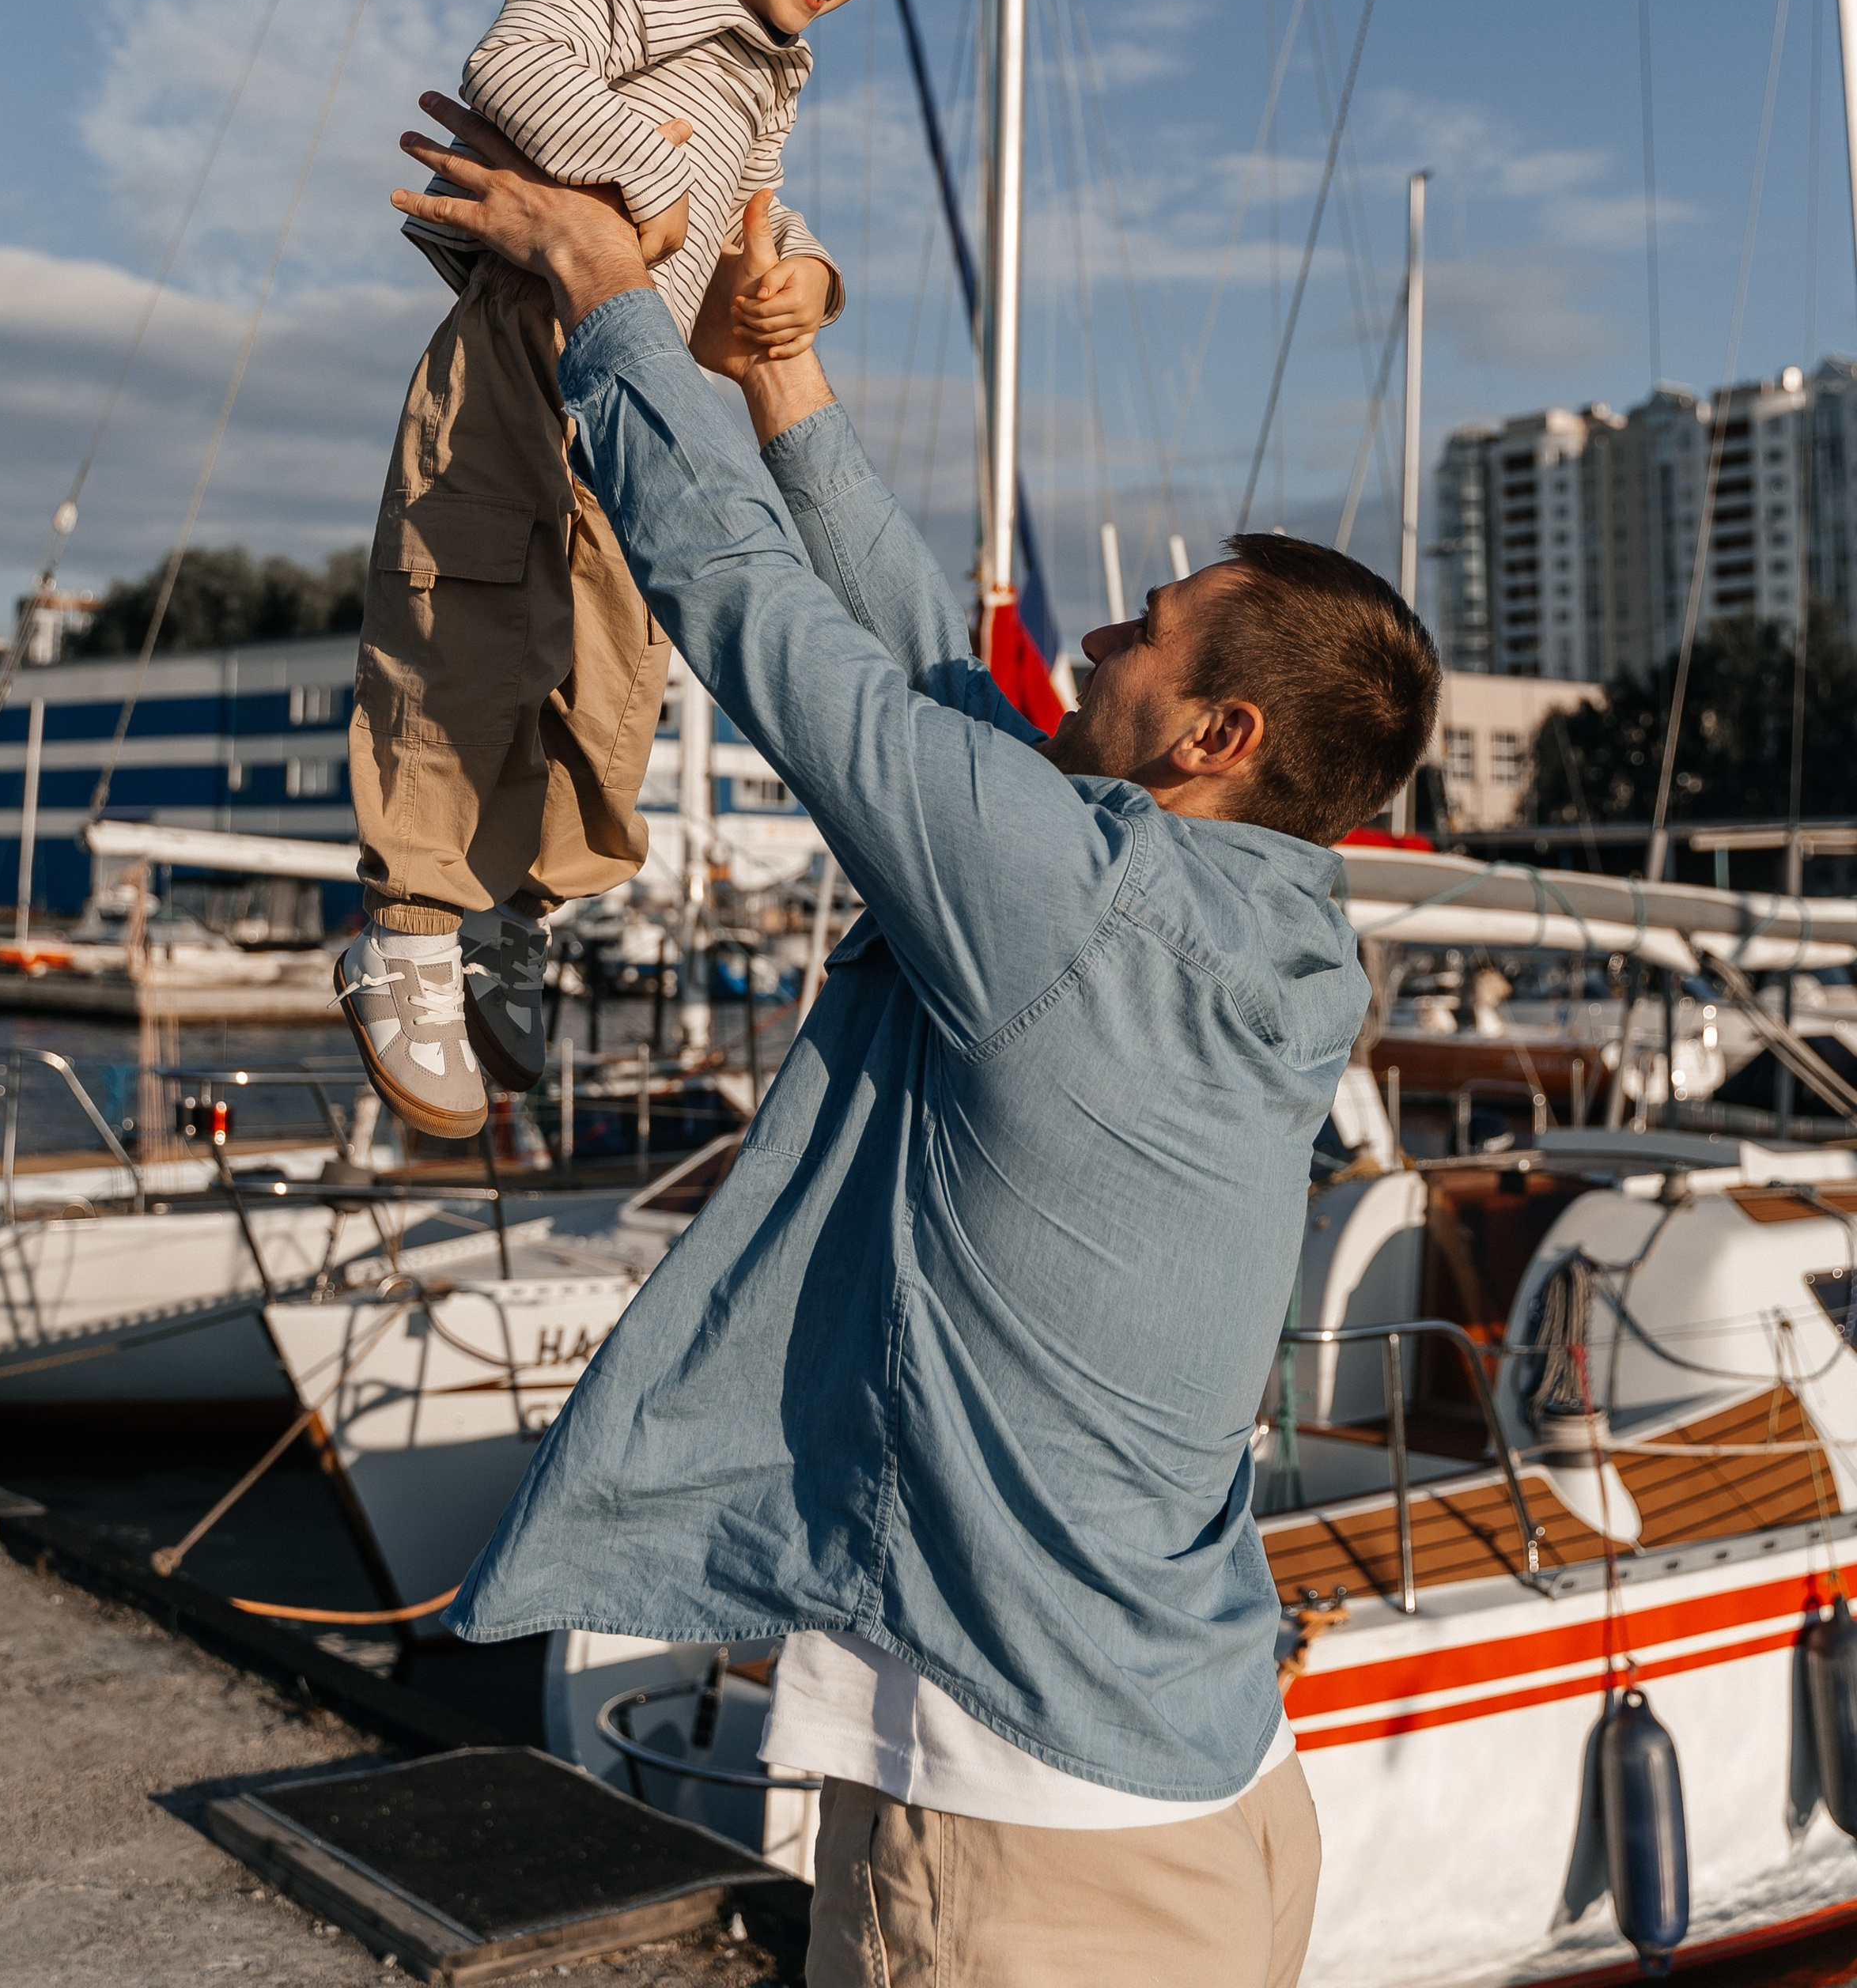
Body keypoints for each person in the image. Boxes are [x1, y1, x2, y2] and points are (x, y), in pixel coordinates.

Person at [390, 97, 1441, 1988]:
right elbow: (933, 697)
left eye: (1141, 632)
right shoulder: (1265, 926)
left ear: (1214, 740)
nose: (1092, 643)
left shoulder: (1076, 906)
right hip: (1210, 1783)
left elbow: (762, 624)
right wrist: (780, 380)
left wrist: (609, 303)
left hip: (1028, 1844)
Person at [338, 0, 917, 1140]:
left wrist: (805, 280)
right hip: (522, 350)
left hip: (640, 396)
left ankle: (520, 912)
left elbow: (755, 215)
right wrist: (641, 180)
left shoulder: (771, 75)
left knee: (612, 677)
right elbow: (513, 68)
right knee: (466, 626)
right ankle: (411, 927)